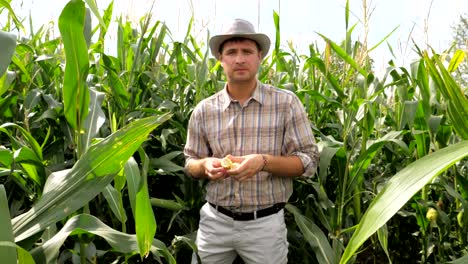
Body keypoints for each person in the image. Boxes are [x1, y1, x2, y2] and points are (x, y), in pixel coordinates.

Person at [184, 18, 319, 264]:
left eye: (247, 51)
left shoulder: (286, 104)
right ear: (220, 59)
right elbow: (190, 162)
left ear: (260, 57)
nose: (239, 59)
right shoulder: (204, 111)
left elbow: (308, 162)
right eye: (231, 52)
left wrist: (263, 162)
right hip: (215, 223)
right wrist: (204, 166)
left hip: (265, 225)